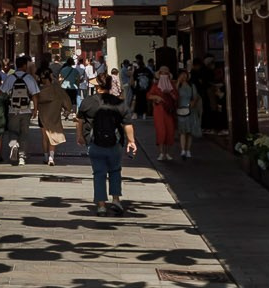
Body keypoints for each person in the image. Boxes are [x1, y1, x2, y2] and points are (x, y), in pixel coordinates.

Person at [81, 70, 138, 214]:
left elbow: (79, 120)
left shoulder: (88, 101)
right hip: (115, 143)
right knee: (115, 171)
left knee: (99, 173)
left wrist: (80, 136)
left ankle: (101, 205)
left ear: (97, 86)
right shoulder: (119, 102)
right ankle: (116, 200)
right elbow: (128, 124)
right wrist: (131, 141)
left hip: (95, 142)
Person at [33, 68, 74, 167]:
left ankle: (46, 157)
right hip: (54, 115)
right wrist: (67, 110)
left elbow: (35, 100)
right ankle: (51, 157)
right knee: (53, 135)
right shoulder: (57, 89)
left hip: (42, 116)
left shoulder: (39, 90)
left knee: (45, 137)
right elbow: (66, 101)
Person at [3, 62, 35, 165]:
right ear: (24, 66)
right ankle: (22, 156)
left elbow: (3, 92)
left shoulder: (10, 78)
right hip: (26, 110)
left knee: (13, 131)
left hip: (13, 110)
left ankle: (14, 145)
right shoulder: (29, 78)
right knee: (24, 134)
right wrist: (35, 109)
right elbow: (35, 94)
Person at [146, 68, 180, 161]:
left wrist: (170, 94)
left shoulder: (172, 85)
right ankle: (161, 152)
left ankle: (168, 152)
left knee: (170, 131)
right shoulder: (156, 85)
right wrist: (156, 97)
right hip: (159, 110)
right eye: (162, 73)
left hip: (169, 111)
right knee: (161, 131)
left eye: (166, 73)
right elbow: (149, 95)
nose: (164, 75)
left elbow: (176, 97)